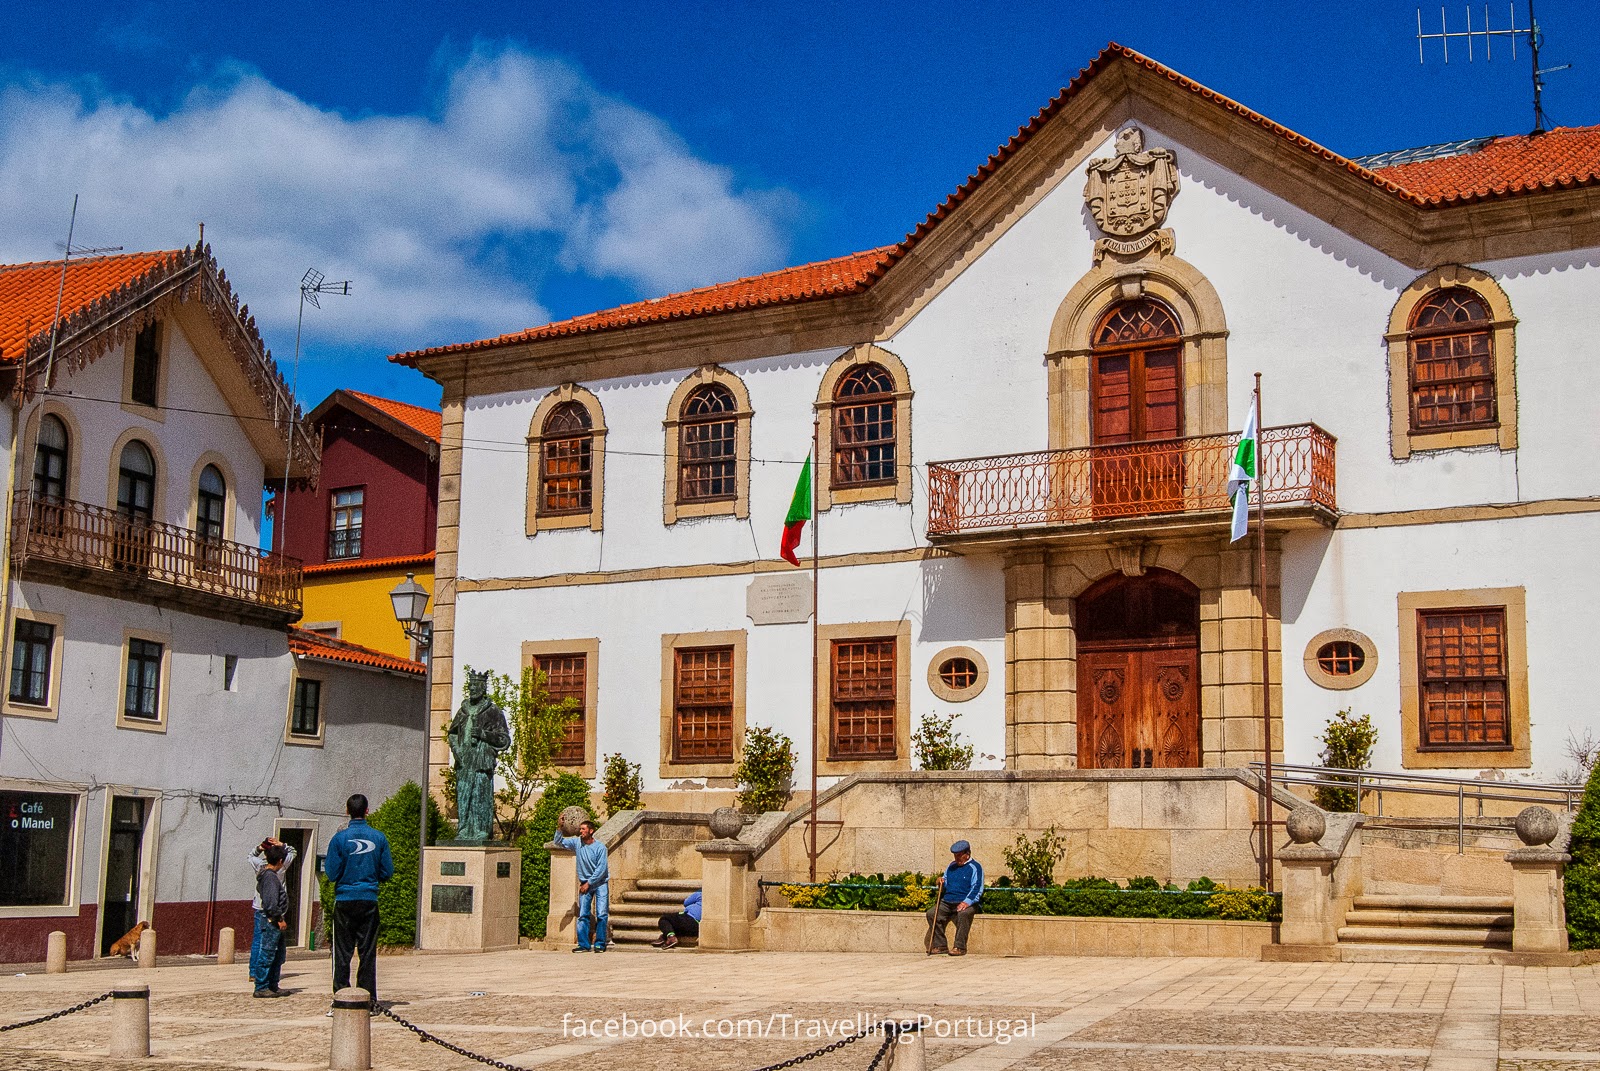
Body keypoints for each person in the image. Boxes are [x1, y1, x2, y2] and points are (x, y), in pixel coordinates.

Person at [324, 794, 393, 1008]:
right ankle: (368, 1000)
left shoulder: (339, 839)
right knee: (367, 952)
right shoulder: (379, 838)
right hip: (369, 899)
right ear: (367, 811)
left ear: (347, 811)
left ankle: (341, 998)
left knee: (341, 953)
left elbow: (332, 873)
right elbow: (387, 871)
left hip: (344, 899)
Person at [554, 818, 609, 952]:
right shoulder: (576, 842)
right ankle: (583, 944)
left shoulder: (600, 848)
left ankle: (600, 944)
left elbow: (601, 869)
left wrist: (589, 883)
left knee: (601, 913)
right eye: (580, 829)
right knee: (583, 914)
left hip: (600, 883)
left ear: (591, 831)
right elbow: (558, 842)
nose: (581, 832)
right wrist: (559, 828)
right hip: (585, 883)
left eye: (583, 829)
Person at [247, 837, 297, 976]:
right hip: (274, 908)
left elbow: (250, 856)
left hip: (259, 905)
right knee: (271, 943)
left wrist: (259, 848)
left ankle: (253, 971)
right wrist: (282, 844)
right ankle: (265, 975)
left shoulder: (259, 865)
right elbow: (293, 852)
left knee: (258, 940)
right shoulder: (282, 865)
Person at [926, 839, 984, 956]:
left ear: (967, 855)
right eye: (955, 856)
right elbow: (946, 881)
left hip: (966, 902)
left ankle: (960, 947)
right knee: (932, 914)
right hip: (948, 901)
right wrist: (940, 881)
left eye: (959, 856)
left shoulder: (975, 867)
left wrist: (966, 902)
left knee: (964, 914)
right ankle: (941, 945)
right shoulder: (951, 866)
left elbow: (977, 887)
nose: (957, 859)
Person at [250, 843, 290, 997]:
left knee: (278, 954)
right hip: (272, 921)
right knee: (267, 953)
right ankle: (261, 986)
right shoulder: (270, 878)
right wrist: (278, 918)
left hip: (274, 919)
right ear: (279, 861)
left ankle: (273, 984)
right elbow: (271, 902)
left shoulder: (268, 875)